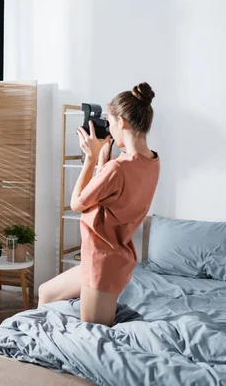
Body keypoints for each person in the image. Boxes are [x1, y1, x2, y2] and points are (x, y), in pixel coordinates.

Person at [38, 82, 160, 326]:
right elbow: (116, 193)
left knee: (95, 334)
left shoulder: (117, 168)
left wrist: (90, 159)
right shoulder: (152, 161)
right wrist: (103, 158)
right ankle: (44, 351)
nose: (110, 129)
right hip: (110, 258)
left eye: (111, 123)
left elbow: (77, 204)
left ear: (122, 123)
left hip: (102, 263)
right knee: (46, 292)